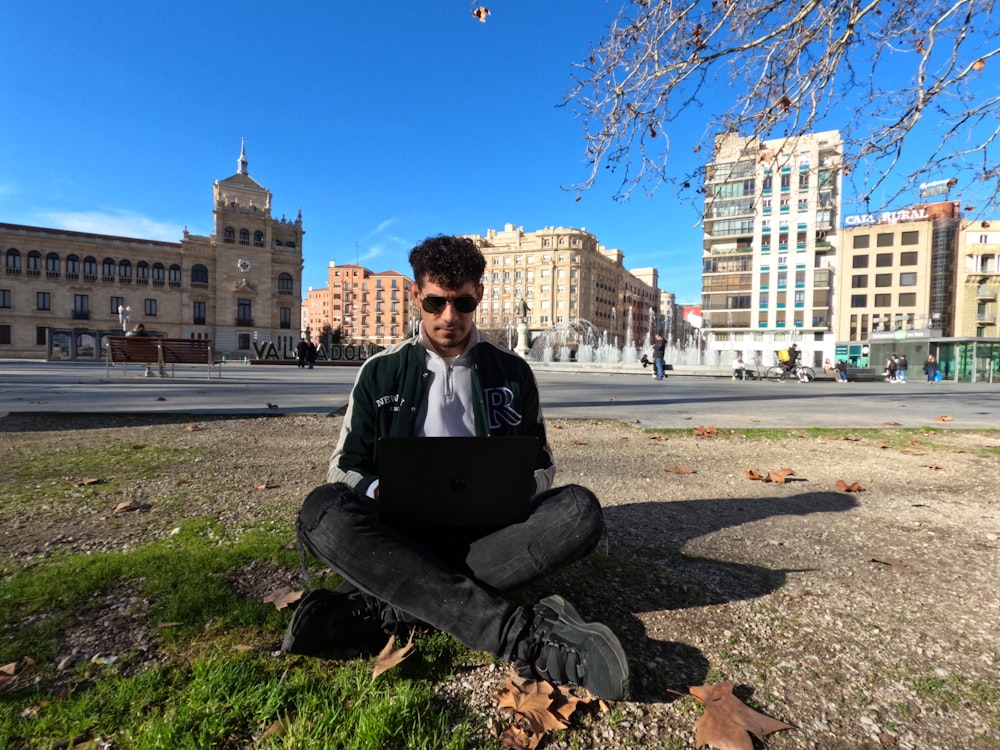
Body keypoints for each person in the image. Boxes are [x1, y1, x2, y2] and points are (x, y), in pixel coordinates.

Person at [281, 235, 630, 701]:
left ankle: (378, 606)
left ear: (479, 296)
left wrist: (514, 487)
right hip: (398, 531)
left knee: (579, 510)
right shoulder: (381, 372)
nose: (449, 316)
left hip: (489, 534)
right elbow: (343, 467)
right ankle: (520, 636)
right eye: (436, 302)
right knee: (322, 511)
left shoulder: (512, 373)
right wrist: (377, 490)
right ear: (416, 297)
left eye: (462, 302)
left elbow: (543, 463)